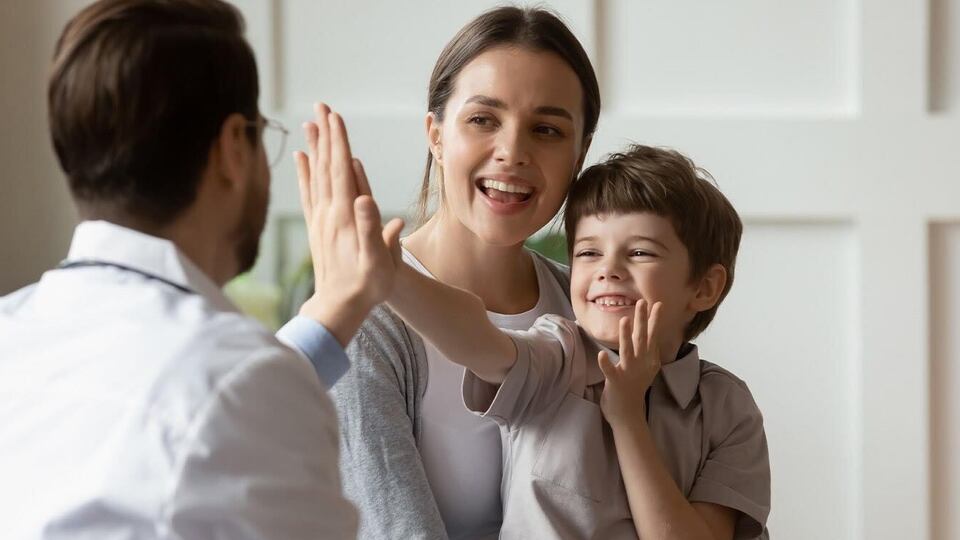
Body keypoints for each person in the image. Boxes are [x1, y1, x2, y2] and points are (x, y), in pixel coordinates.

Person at [0, 1, 401, 538]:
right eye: (262, 134)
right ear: (234, 146)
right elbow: (216, 401)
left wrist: (337, 308)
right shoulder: (242, 382)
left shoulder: (12, 330)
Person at [380, 144, 771, 538]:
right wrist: (389, 275)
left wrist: (628, 419)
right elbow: (479, 342)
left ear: (704, 288)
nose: (608, 270)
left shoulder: (729, 410)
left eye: (639, 252)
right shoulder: (559, 353)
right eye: (588, 252)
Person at [325, 6, 601, 539]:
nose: (512, 152)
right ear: (436, 133)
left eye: (546, 129)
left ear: (579, 153)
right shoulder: (366, 317)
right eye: (483, 120)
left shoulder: (587, 304)